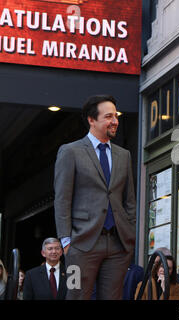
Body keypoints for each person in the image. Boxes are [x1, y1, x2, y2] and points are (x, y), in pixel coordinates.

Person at [54, 94, 136, 300]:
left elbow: (129, 201)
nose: (115, 121)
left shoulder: (123, 155)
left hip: (118, 245)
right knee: (75, 296)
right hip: (80, 245)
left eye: (115, 116)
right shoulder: (70, 151)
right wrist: (66, 242)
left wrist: (130, 235)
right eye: (109, 116)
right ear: (92, 120)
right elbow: (62, 199)